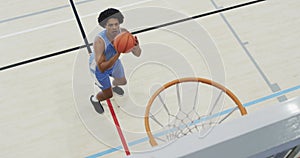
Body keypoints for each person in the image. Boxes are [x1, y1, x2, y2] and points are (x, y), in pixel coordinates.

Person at [89, 8, 142, 114]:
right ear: (105, 25)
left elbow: (138, 54)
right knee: (108, 95)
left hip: (114, 63)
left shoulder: (124, 33)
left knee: (122, 82)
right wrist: (117, 53)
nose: (114, 28)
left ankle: (112, 86)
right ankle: (95, 99)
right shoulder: (99, 41)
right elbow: (102, 67)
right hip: (98, 68)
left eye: (116, 24)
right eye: (110, 25)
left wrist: (136, 46)